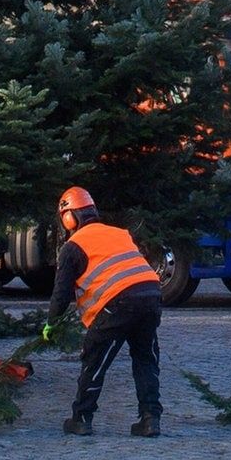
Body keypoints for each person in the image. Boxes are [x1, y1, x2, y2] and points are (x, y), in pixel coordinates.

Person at [43, 185, 163, 438]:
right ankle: (150, 419)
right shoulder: (120, 234)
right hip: (151, 295)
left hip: (116, 304)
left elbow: (61, 293)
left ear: (69, 218)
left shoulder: (73, 246)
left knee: (95, 361)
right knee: (146, 359)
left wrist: (51, 323)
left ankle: (81, 419)